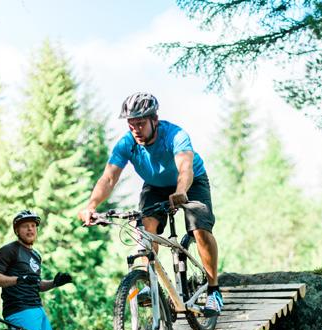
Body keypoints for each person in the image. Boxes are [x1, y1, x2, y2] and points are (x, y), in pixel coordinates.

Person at [78, 92, 223, 316]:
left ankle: (214, 290)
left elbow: (185, 168)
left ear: (154, 120)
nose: (135, 129)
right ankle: (148, 282)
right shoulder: (127, 144)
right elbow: (108, 178)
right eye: (131, 124)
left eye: (141, 123)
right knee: (145, 228)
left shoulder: (175, 135)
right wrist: (91, 205)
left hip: (190, 182)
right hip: (155, 186)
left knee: (200, 230)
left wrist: (181, 191)